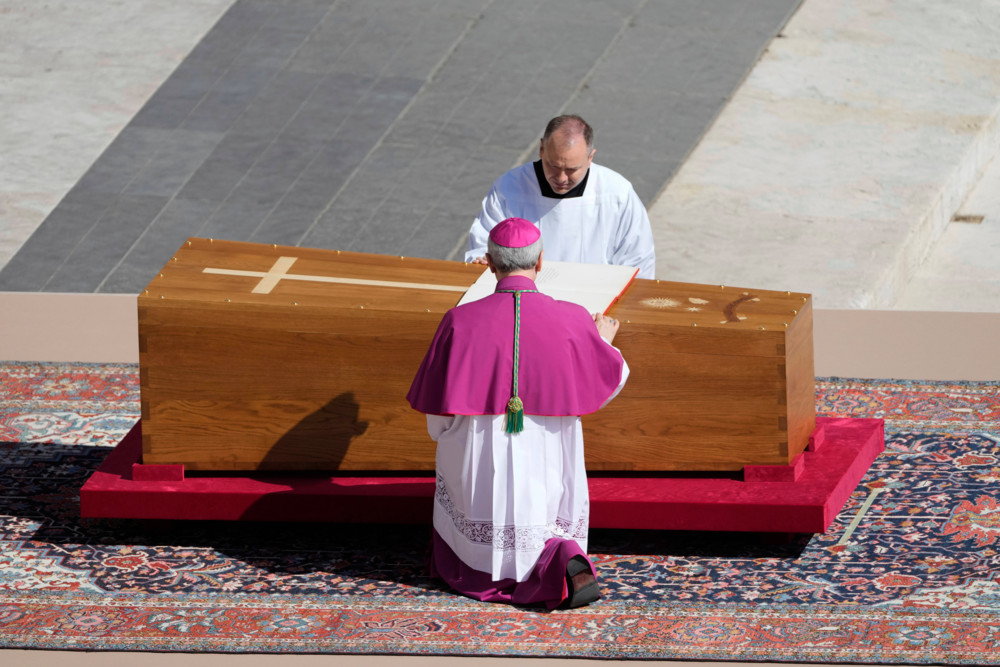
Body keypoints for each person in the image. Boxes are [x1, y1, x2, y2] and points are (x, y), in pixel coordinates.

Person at [408, 217, 630, 609]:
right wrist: (602, 342)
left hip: (476, 460)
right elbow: (607, 383)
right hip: (547, 453)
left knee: (465, 483)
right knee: (543, 513)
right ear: (540, 262)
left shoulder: (459, 320)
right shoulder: (574, 318)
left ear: (490, 264)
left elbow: (437, 419)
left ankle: (479, 569)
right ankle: (557, 559)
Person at [464, 114, 655, 279]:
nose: (561, 178)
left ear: (590, 157)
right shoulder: (509, 188)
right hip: (526, 301)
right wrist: (481, 259)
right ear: (541, 149)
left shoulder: (617, 193)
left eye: (572, 169)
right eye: (553, 166)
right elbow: (484, 243)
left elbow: (637, 260)